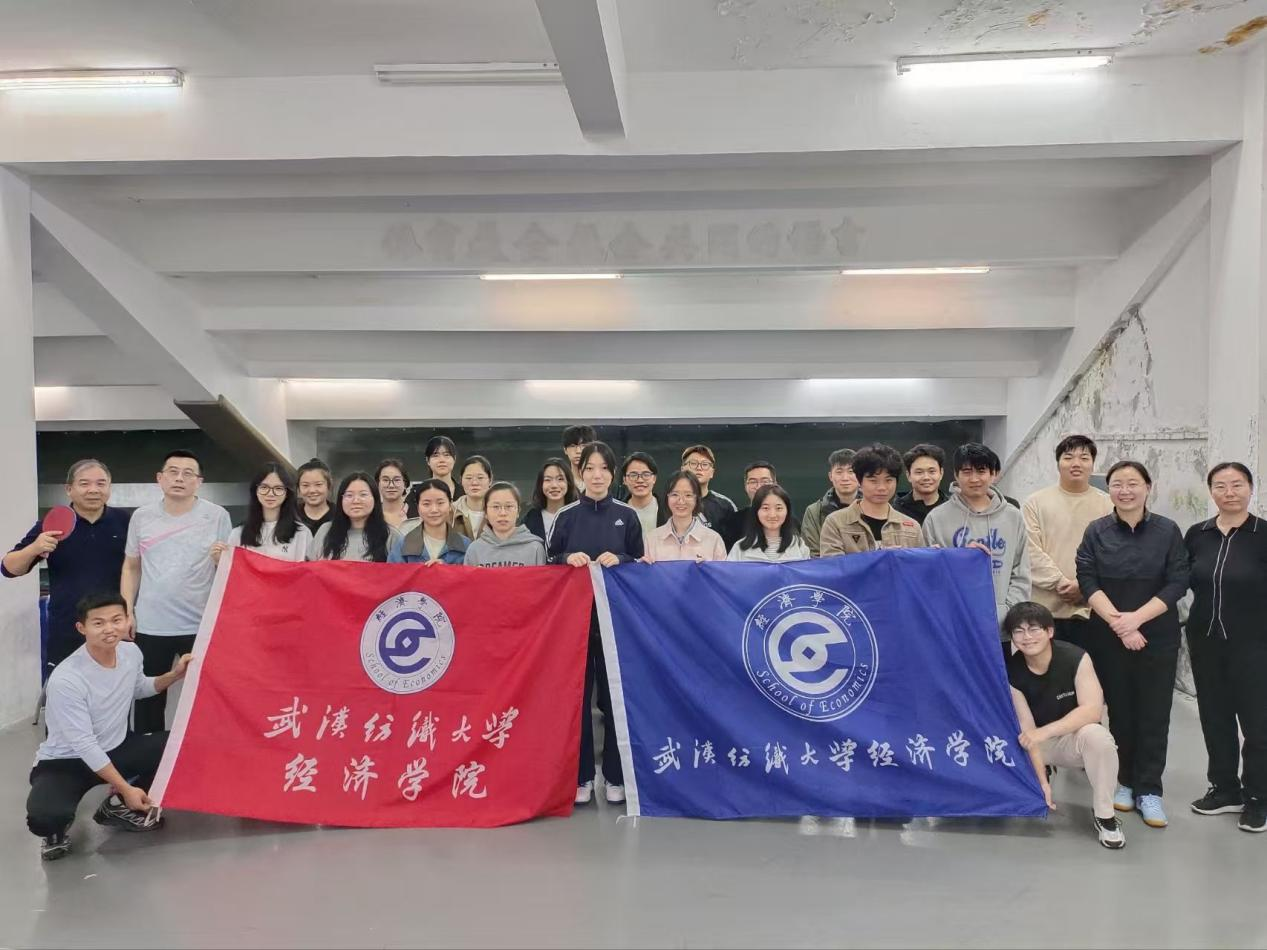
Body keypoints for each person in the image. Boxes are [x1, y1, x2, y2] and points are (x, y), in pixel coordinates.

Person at [26, 593, 191, 861]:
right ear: (82, 628)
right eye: (98, 623)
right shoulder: (67, 679)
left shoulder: (130, 652)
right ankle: (57, 828)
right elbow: (85, 744)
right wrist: (125, 787)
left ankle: (116, 807)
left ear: (127, 620)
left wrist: (174, 675)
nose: (109, 629)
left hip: (117, 747)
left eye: (116, 620)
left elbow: (140, 688)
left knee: (181, 746)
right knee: (45, 817)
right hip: (67, 761)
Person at [1075, 460, 1189, 829]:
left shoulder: (1167, 530)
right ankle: (1124, 781)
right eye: (1117, 484)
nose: (1125, 490)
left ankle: (1150, 789)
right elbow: (1087, 580)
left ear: (1147, 487)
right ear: (1109, 489)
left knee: (1154, 712)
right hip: (1109, 636)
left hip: (1158, 635)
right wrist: (1121, 626)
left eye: (1133, 483)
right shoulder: (1097, 531)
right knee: (1120, 710)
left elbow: (1178, 581)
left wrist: (1136, 619)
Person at [547, 441, 644, 806]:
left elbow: (640, 564)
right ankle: (582, 776)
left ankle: (615, 777)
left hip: (616, 625)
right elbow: (549, 563)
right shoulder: (567, 516)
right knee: (576, 700)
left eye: (604, 468)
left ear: (613, 474)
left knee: (613, 698)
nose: (597, 475)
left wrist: (621, 559)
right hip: (574, 626)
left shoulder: (627, 516)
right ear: (581, 472)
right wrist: (566, 558)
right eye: (590, 468)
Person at [121, 450, 231, 734]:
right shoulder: (142, 517)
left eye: (188, 473)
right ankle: (149, 756)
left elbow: (228, 567)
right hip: (151, 624)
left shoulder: (217, 516)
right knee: (148, 697)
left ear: (199, 481)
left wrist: (220, 560)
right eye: (173, 471)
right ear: (160, 478)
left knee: (207, 696)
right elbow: (131, 566)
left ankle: (202, 752)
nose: (179, 478)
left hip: (200, 624)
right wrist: (127, 610)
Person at [1184, 462, 1267, 833]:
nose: (1229, 492)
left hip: (1255, 644)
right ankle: (1225, 789)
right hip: (1205, 642)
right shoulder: (1197, 534)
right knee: (1215, 718)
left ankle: (1258, 797)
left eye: (1237, 484)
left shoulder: (1262, 534)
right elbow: (1180, 580)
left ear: (1250, 488)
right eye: (1220, 485)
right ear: (1211, 491)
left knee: (1258, 723)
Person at [1004, 601, 1125, 850]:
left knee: (1099, 737)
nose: (1027, 637)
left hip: (1072, 738)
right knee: (1013, 743)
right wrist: (1042, 784)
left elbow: (1092, 710)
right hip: (1037, 745)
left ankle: (1105, 815)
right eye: (1019, 631)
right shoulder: (1012, 671)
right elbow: (1028, 732)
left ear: (1050, 631)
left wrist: (1045, 731)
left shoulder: (1075, 658)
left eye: (1034, 629)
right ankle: (1040, 777)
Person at [3, 459, 131, 675]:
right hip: (67, 627)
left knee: (115, 689)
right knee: (64, 689)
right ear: (69, 489)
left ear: (109, 487)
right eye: (84, 483)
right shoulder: (52, 524)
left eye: (101, 483)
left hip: (114, 627)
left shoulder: (125, 521)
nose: (93, 490)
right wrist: (35, 547)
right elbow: (8, 568)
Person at [923, 443, 1031, 628]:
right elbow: (928, 574)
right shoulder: (936, 518)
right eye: (967, 472)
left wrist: (1006, 613)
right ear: (956, 475)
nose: (974, 479)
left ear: (993, 474)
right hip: (955, 625)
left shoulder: (1013, 516)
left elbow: (1021, 572)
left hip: (1004, 626)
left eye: (981, 471)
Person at [1022, 435, 1114, 650]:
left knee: (1091, 668)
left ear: (1093, 464)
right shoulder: (1035, 503)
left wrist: (1084, 585)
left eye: (1084, 458)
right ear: (1058, 463)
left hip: (1093, 609)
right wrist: (1060, 583)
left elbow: (1113, 554)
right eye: (1068, 457)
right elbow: (1029, 551)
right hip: (1045, 611)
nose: (1076, 463)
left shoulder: (1109, 505)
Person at [819, 444, 925, 555]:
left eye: (888, 480)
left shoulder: (912, 527)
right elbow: (832, 564)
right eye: (873, 481)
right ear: (859, 481)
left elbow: (919, 564)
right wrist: (878, 557)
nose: (882, 487)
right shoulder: (836, 523)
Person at [216, 464, 312, 563]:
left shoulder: (302, 533)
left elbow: (308, 570)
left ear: (287, 492)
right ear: (255, 490)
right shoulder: (238, 533)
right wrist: (219, 560)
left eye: (278, 488)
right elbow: (232, 569)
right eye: (264, 487)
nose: (270, 494)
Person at [311, 472, 400, 562]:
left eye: (363, 495)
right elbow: (309, 567)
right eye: (349, 495)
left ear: (375, 498)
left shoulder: (391, 536)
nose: (356, 500)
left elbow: (401, 569)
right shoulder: (325, 531)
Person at [643, 470, 727, 562]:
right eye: (675, 494)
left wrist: (707, 568)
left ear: (697, 498)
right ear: (667, 497)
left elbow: (722, 571)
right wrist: (643, 566)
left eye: (688, 495)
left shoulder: (714, 540)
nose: (681, 501)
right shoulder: (652, 539)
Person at [463, 483, 547, 567]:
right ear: (486, 512)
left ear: (518, 511)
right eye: (496, 507)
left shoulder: (535, 548)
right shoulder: (475, 549)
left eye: (509, 506)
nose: (503, 513)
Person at [389, 479, 471, 564]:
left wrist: (446, 569)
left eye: (440, 503)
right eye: (426, 504)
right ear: (418, 508)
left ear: (450, 505)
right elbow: (392, 572)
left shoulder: (465, 545)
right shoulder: (403, 545)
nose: (434, 510)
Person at [727, 485, 810, 563]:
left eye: (778, 508)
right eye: (765, 508)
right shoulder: (739, 548)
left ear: (787, 511)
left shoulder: (799, 546)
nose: (772, 515)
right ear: (756, 511)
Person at [800, 449, 858, 557]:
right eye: (839, 472)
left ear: (860, 474)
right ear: (830, 476)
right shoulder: (814, 512)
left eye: (851, 471)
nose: (845, 478)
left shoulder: (872, 507)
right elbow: (812, 553)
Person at [721, 461, 788, 551]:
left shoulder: (787, 520)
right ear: (745, 486)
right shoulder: (733, 522)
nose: (759, 486)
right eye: (753, 482)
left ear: (775, 484)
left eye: (765, 481)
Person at [522, 458, 579, 544]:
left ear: (568, 482)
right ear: (541, 484)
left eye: (560, 479)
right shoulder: (530, 518)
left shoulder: (579, 516)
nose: (554, 485)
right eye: (548, 480)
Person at [681, 444, 737, 533]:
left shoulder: (726, 506)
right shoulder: (671, 502)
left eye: (705, 464)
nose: (699, 468)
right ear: (682, 469)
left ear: (712, 472)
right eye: (693, 463)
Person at [405, 435, 461, 516]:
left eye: (446, 455)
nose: (442, 460)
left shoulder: (465, 493)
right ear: (428, 460)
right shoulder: (415, 493)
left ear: (454, 459)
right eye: (435, 455)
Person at [894, 444, 949, 525]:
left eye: (932, 471)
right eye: (919, 472)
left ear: (941, 473)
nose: (926, 477)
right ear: (908, 475)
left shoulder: (952, 508)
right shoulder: (896, 511)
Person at [621, 452, 667, 539]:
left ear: (654, 478)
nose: (640, 480)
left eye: (646, 474)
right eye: (633, 475)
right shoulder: (616, 512)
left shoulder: (669, 510)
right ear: (625, 480)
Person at [452, 456, 493, 539]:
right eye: (468, 478)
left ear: (490, 480)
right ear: (461, 480)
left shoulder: (499, 511)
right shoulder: (450, 512)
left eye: (480, 478)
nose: (474, 483)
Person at [295, 458, 335, 535]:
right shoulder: (291, 515)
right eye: (305, 485)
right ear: (298, 489)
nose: (312, 490)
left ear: (329, 486)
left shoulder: (339, 515)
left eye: (318, 484)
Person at [375, 459, 415, 533]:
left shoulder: (418, 515)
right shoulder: (370, 515)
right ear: (378, 484)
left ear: (405, 484)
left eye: (396, 480)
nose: (391, 485)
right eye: (385, 480)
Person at [562, 424, 598, 491]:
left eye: (583, 445)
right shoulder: (561, 482)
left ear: (593, 448)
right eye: (573, 446)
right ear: (565, 450)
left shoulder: (601, 481)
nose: (578, 451)